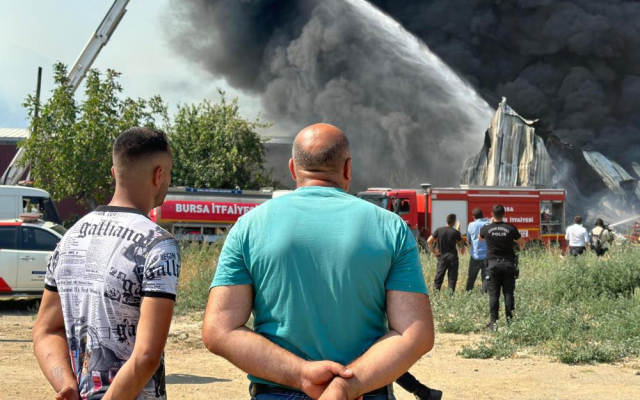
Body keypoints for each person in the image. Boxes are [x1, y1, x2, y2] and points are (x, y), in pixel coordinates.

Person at [202, 124, 435, 400]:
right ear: (348, 168)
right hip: (364, 392)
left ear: (292, 168)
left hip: (276, 393)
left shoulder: (249, 227)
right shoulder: (391, 228)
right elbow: (415, 333)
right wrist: (348, 385)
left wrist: (300, 373)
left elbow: (220, 330)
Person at [33, 127, 180, 400]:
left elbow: (46, 329)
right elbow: (147, 355)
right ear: (159, 175)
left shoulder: (70, 238)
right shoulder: (159, 244)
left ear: (114, 173)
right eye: (169, 173)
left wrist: (66, 383)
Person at [479, 205, 525, 328]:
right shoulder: (510, 228)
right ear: (504, 214)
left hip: (492, 265)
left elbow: (480, 238)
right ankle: (510, 322)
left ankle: (494, 323)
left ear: (492, 214)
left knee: (494, 294)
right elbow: (522, 243)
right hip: (508, 264)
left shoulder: (486, 228)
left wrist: (491, 223)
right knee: (508, 293)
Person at [427, 213, 465, 293]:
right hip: (453, 258)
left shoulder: (439, 230)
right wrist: (458, 230)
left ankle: (436, 295)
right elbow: (461, 243)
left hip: (442, 258)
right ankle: (450, 297)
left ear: (446, 221)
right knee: (452, 279)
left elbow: (428, 241)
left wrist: (434, 252)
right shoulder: (455, 232)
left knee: (439, 278)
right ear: (454, 222)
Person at [465, 208, 490, 293]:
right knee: (485, 278)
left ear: (473, 217)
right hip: (487, 256)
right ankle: (484, 294)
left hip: (475, 256)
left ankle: (468, 293)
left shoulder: (471, 225)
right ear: (482, 214)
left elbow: (469, 240)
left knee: (471, 277)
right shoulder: (488, 224)